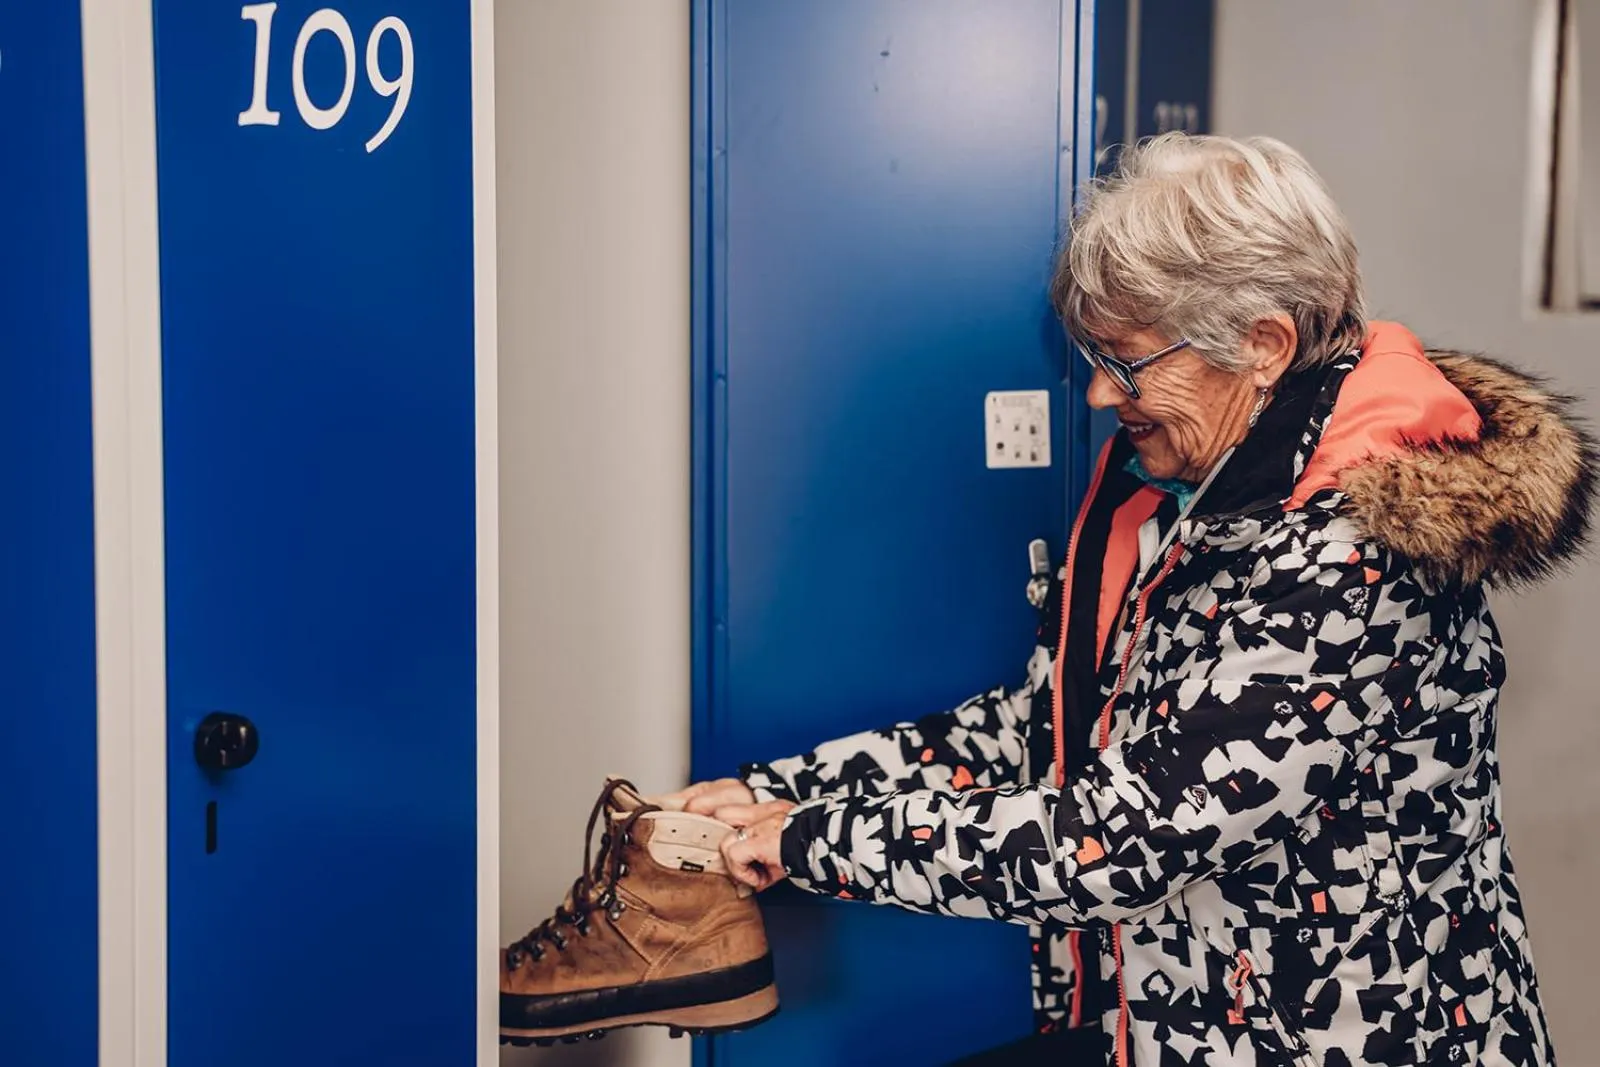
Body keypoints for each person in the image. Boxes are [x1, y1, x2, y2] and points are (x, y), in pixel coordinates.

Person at [663, 133, 1593, 1066]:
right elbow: (1050, 725)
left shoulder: (1354, 560)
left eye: (1131, 360)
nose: (1102, 395)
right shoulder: (1190, 494)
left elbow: (1124, 838)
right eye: (1093, 354)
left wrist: (808, 840)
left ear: (1263, 346)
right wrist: (785, 792)